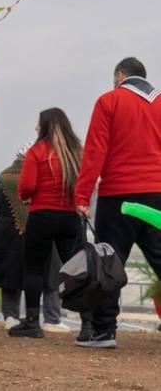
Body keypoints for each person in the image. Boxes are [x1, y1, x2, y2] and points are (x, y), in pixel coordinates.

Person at [74, 57, 161, 349]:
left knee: (108, 263)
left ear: (120, 75)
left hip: (118, 198)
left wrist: (82, 195)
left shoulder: (109, 100)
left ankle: (104, 332)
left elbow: (95, 151)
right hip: (157, 196)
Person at [0, 144, 92, 336]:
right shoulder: (45, 172)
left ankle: (10, 317)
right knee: (51, 275)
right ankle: (53, 318)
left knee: (12, 276)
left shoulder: (4, 177)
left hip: (9, 236)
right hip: (43, 227)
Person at [9, 108, 85, 338]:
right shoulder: (76, 152)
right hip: (71, 218)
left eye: (38, 123)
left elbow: (26, 187)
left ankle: (32, 322)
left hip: (42, 216)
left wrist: (25, 195)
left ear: (46, 126)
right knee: (76, 270)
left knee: (34, 269)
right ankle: (89, 323)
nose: (35, 127)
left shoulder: (37, 151)